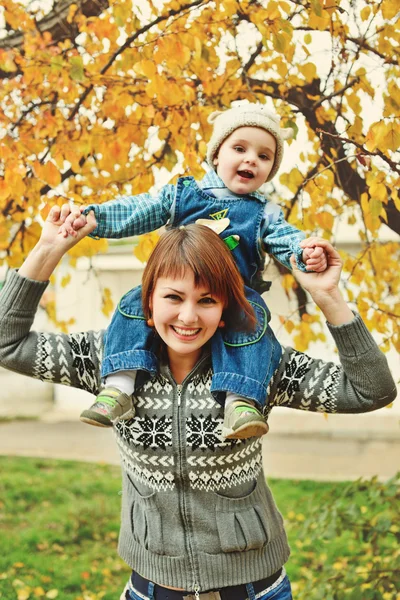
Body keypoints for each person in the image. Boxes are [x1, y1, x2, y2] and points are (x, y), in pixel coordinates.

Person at [0, 209, 396, 600]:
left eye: (207, 300)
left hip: (255, 590)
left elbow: (371, 390)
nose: (188, 316)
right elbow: (8, 343)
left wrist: (328, 296)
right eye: (174, 297)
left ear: (224, 309)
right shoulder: (109, 358)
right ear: (148, 302)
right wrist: (49, 249)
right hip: (150, 590)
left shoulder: (257, 366)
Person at [59, 103, 328, 439]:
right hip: (178, 284)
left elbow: (289, 241)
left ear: (270, 168)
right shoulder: (184, 195)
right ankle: (119, 386)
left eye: (264, 156)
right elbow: (139, 209)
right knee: (133, 302)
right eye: (239, 148)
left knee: (254, 317)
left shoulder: (264, 214)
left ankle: (240, 400)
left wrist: (308, 255)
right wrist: (94, 219)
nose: (250, 160)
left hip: (230, 294)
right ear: (216, 155)